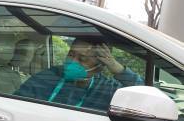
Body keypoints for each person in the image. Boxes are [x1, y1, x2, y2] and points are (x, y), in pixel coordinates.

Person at [15, 38, 143, 110]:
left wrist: (118, 69)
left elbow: (146, 98)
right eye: (71, 55)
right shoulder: (49, 76)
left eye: (82, 59)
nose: (72, 62)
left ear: (99, 67)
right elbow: (17, 104)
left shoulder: (108, 89)